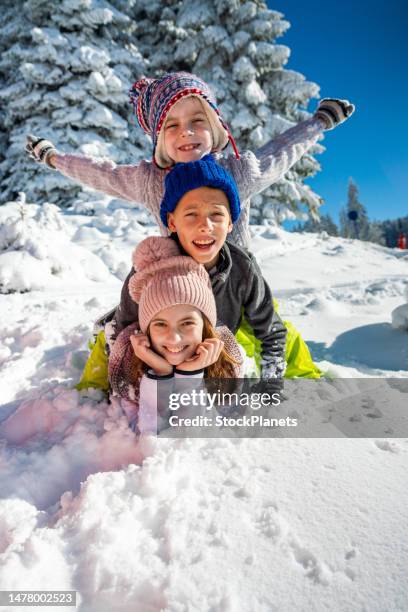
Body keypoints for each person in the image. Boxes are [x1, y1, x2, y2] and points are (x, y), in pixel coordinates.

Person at [26, 71, 354, 385]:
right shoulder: (150, 180)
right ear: (158, 138)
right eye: (172, 124)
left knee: (279, 331)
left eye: (198, 121)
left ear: (216, 129)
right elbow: (102, 173)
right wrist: (56, 159)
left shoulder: (238, 173)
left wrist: (318, 122)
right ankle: (93, 390)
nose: (186, 132)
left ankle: (307, 382)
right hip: (174, 288)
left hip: (233, 284)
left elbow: (280, 152)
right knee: (116, 333)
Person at [108, 156, 287, 391]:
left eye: (216, 215)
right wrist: (119, 381)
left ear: (231, 223)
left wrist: (271, 384)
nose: (205, 225)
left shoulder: (243, 266)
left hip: (211, 350)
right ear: (172, 222)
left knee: (283, 328)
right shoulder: (153, 267)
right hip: (160, 353)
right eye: (191, 214)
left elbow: (271, 333)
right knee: (107, 333)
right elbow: (122, 331)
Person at [108, 235, 243, 433]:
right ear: (146, 330)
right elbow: (149, 433)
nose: (174, 338)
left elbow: (194, 434)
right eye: (160, 324)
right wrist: (160, 373)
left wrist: (190, 375)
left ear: (205, 326)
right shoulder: (127, 361)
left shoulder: (228, 363)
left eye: (187, 323)